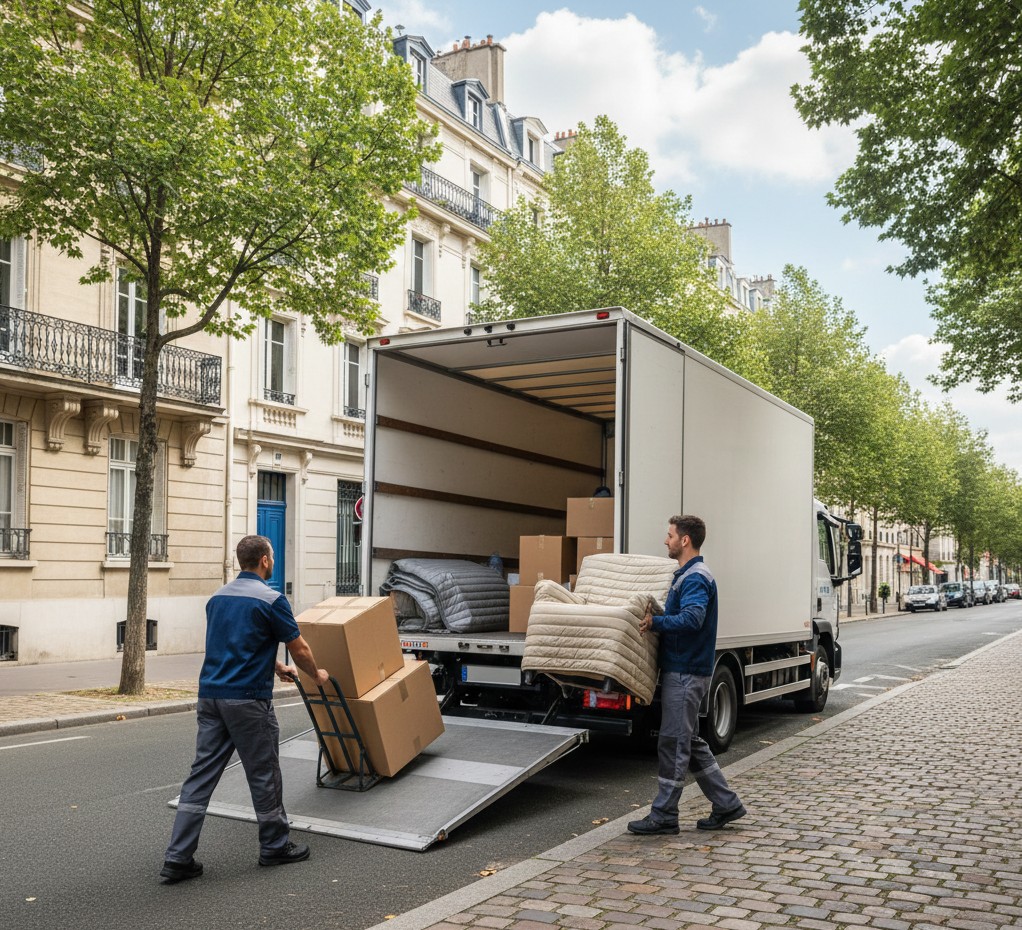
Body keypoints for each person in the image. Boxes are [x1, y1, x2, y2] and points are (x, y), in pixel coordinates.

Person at [160, 535, 330, 884]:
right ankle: (274, 846)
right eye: (272, 556)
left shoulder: (218, 598)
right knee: (263, 772)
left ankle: (177, 857)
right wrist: (317, 674)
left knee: (200, 777)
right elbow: (299, 649)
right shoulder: (273, 599)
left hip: (211, 696)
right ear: (265, 560)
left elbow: (235, 645)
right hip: (248, 700)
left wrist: (274, 668)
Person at [627, 514, 746, 836]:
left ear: (685, 540)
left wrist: (656, 623)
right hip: (686, 669)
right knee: (690, 742)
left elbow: (693, 619)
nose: (665, 540)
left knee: (672, 742)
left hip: (686, 672)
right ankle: (726, 804)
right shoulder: (690, 574)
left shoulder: (695, 577)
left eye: (669, 535)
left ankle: (664, 814)